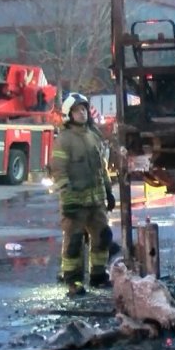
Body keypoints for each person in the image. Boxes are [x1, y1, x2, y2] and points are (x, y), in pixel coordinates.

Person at [51, 92, 118, 290]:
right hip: (75, 202)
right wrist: (68, 199)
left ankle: (98, 275)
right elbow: (58, 171)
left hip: (96, 201)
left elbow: (101, 167)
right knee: (74, 242)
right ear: (68, 115)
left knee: (102, 237)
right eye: (77, 111)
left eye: (83, 109)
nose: (82, 113)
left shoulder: (93, 135)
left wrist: (108, 190)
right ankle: (73, 279)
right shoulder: (64, 139)